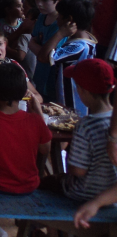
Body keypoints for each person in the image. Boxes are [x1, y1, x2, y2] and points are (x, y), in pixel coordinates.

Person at [0, 63, 52, 237]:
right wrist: (38, 113)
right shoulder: (35, 121)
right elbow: (45, 149)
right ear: (24, 93)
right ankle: (30, 228)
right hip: (29, 186)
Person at [46, 59, 117, 204]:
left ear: (82, 90)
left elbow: (78, 171)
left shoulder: (85, 125)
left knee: (45, 183)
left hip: (84, 193)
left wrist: (70, 161)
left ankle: (53, 225)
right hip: (112, 195)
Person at [43, 0, 98, 113]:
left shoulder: (78, 47)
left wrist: (60, 33)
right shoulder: (88, 39)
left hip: (73, 107)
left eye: (59, 15)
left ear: (69, 20)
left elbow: (43, 57)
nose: (57, 19)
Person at [27, 0, 69, 100]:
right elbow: (32, 42)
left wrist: (37, 48)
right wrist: (39, 49)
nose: (39, 3)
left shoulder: (61, 24)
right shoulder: (41, 17)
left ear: (59, 1)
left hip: (55, 79)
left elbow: (47, 56)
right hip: (41, 74)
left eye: (45, 0)